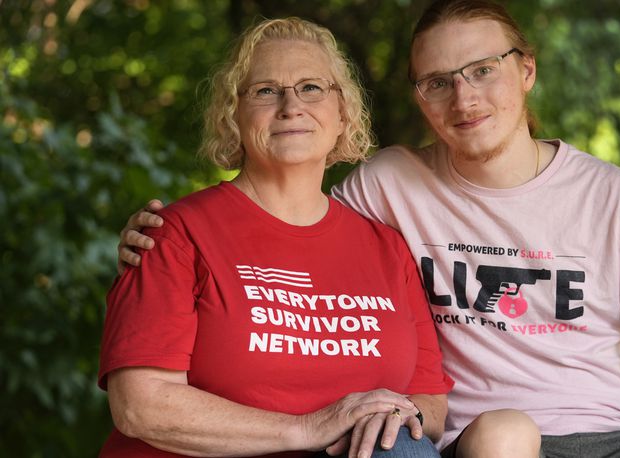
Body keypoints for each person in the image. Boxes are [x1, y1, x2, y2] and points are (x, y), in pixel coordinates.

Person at [117, 1, 620, 457]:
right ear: (418, 96)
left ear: (527, 71)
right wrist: (162, 236)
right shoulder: (387, 187)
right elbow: (281, 212)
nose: (465, 96)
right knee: (508, 435)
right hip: (487, 442)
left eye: (483, 70)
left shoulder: (619, 199)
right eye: (439, 81)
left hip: (618, 440)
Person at [98, 17, 455, 458]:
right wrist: (307, 428)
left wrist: (395, 419)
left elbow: (430, 404)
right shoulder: (175, 235)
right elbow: (140, 406)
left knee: (402, 444)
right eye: (266, 91)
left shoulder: (387, 248)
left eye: (311, 88)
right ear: (233, 114)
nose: (291, 106)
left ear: (342, 114)